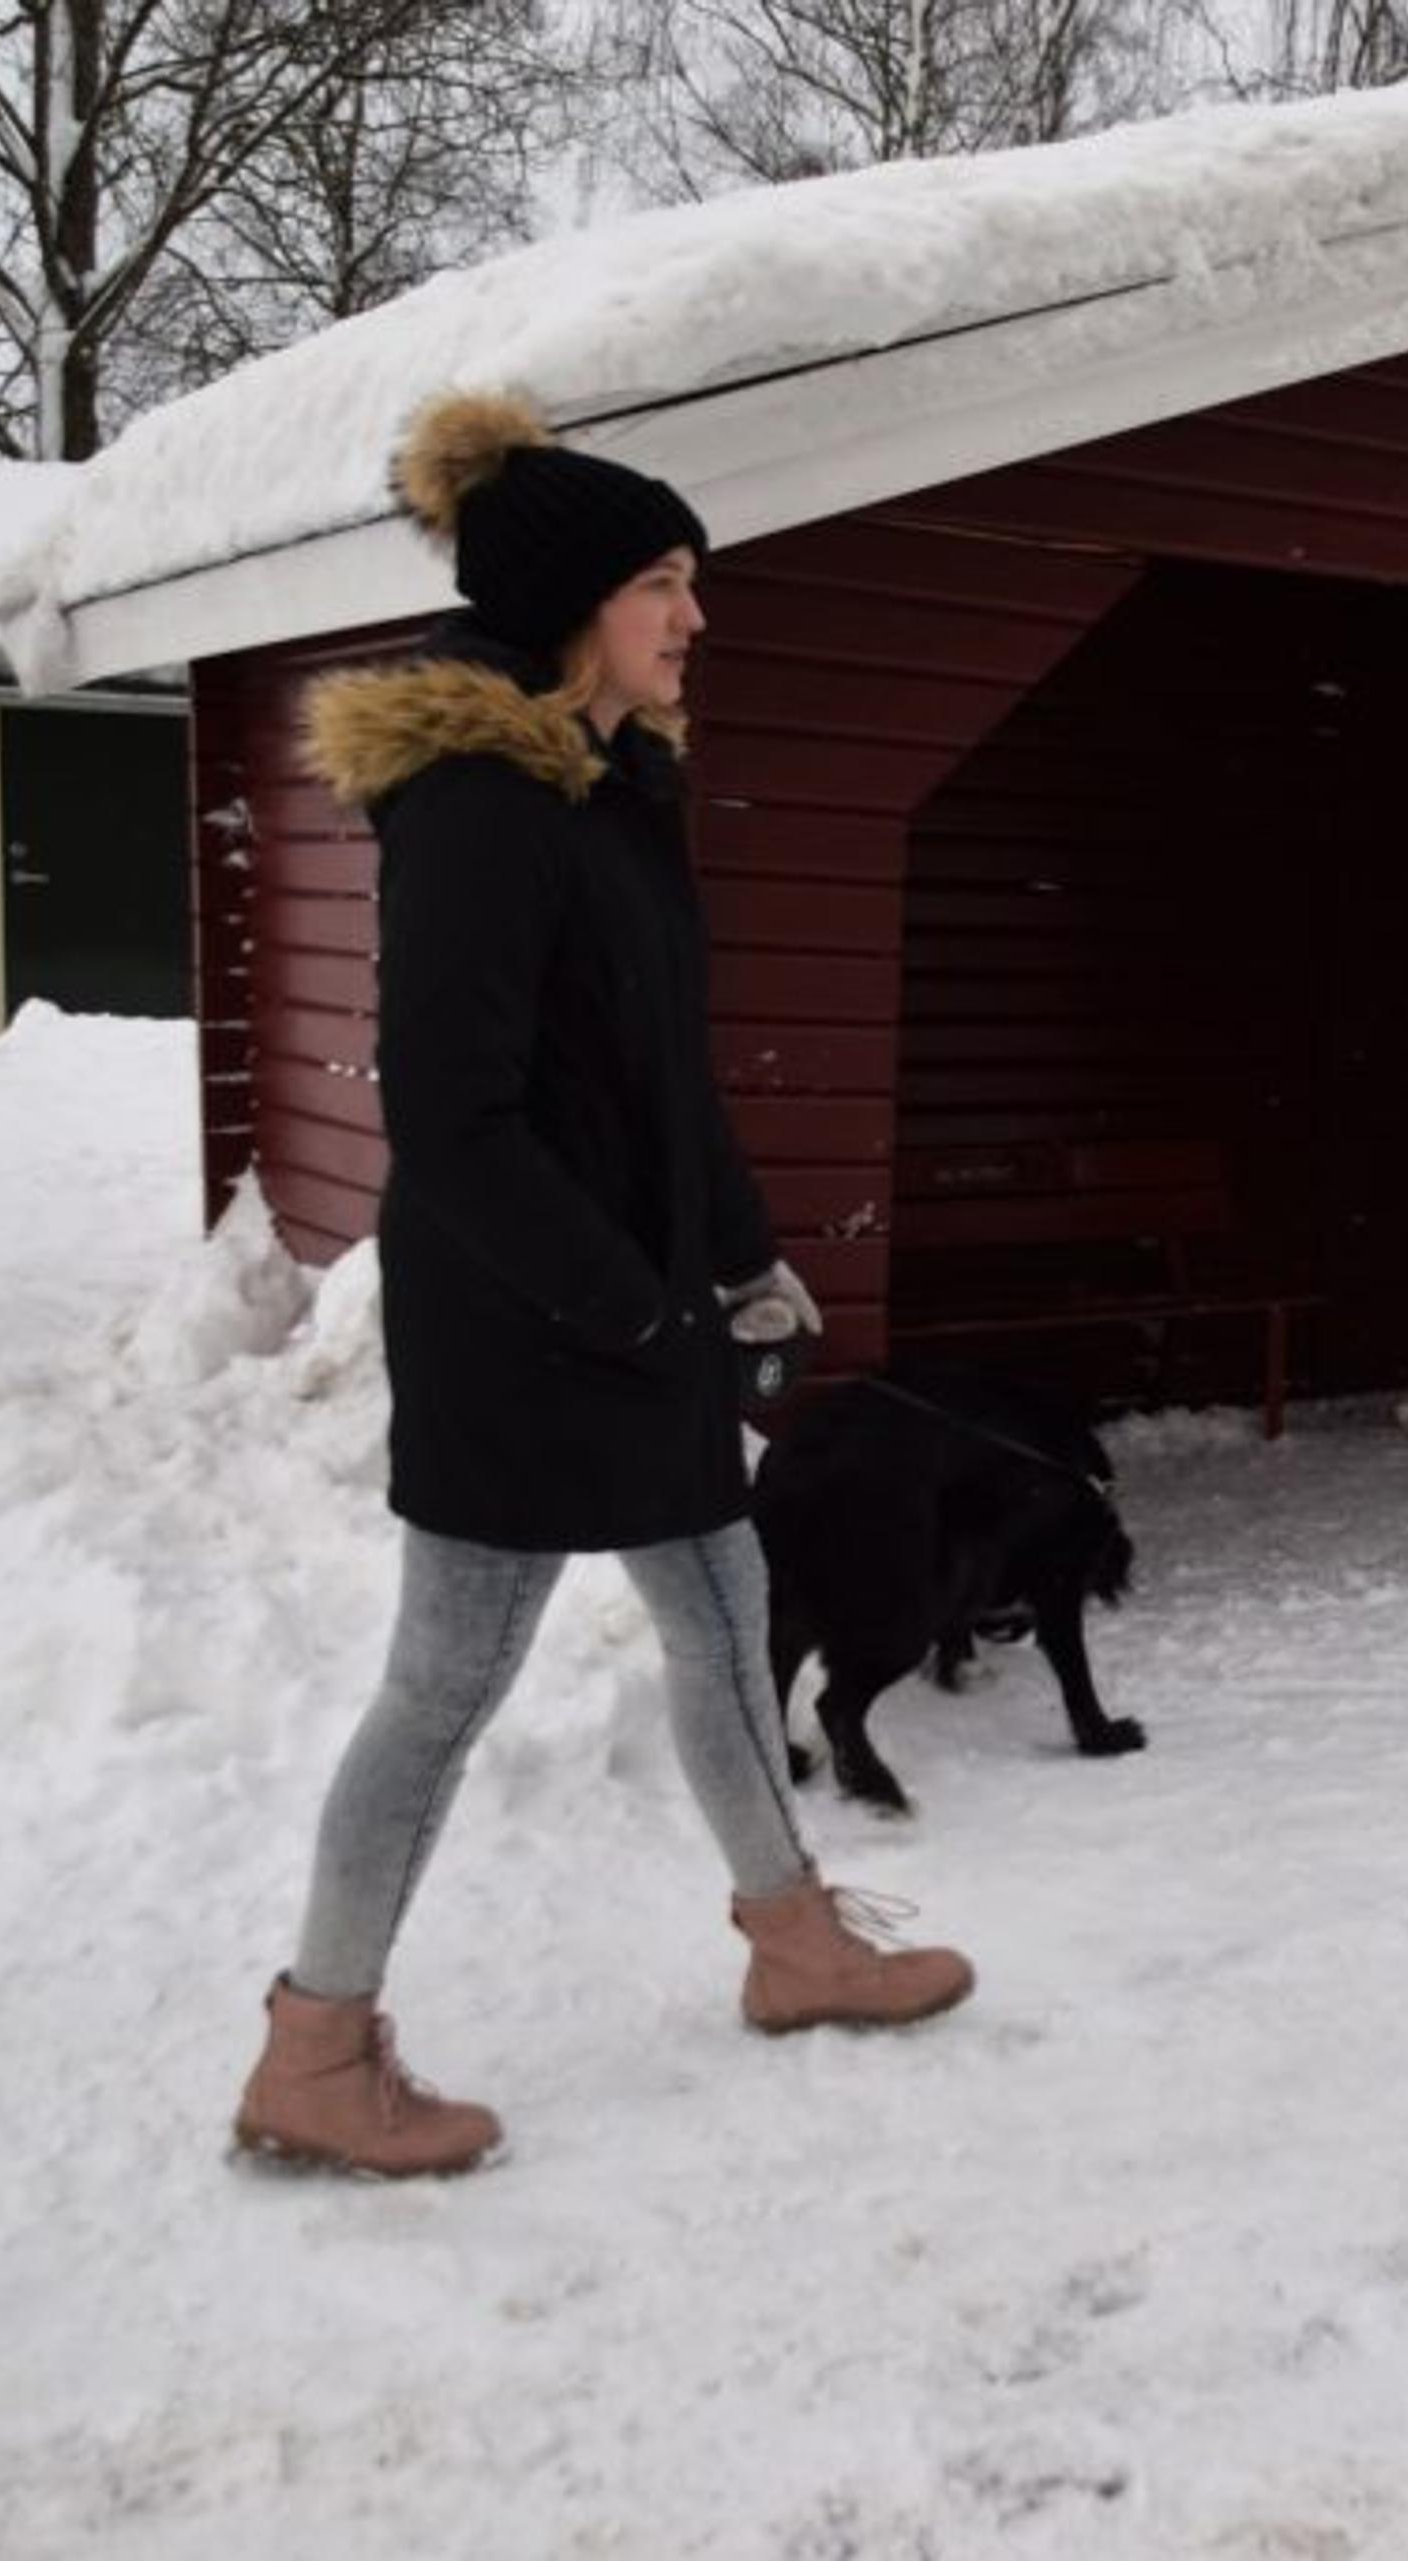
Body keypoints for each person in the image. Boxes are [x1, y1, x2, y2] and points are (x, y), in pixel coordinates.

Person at [231, 389, 973, 2179]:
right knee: (445, 1686)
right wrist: (636, 1310)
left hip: (639, 1315)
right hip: (525, 1328)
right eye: (662, 584)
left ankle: (793, 1942)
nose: (695, 617)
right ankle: (315, 2051)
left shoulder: (615, 787)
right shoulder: (479, 806)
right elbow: (454, 1122)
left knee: (722, 1610)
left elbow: (663, 1078)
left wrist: (744, 1258)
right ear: (575, 605)